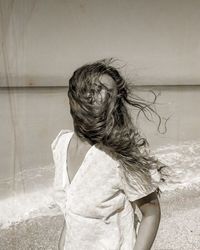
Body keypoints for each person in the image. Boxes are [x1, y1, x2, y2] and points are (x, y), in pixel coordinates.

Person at [51, 58, 168, 250]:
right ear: (73, 97)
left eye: (109, 93)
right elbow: (71, 207)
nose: (100, 98)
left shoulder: (119, 155)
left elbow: (151, 213)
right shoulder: (61, 145)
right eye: (93, 89)